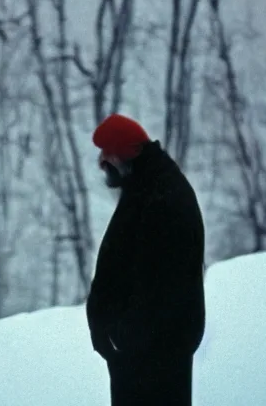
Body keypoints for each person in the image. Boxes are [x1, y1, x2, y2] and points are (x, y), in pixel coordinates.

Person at [86, 113, 206, 406]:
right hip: (140, 356)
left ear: (129, 153)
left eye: (108, 152)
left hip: (153, 361)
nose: (102, 161)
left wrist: (124, 336)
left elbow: (162, 287)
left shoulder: (164, 197)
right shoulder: (144, 185)